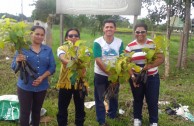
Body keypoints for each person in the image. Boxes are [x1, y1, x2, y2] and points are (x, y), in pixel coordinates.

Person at [11, 25, 56, 126]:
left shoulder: (47, 50)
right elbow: (13, 67)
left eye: (42, 35)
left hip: (42, 87)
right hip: (25, 87)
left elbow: (52, 67)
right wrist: (17, 61)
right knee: (25, 113)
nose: (40, 37)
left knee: (37, 111)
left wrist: (42, 77)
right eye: (37, 34)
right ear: (31, 34)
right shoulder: (22, 49)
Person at [125, 23, 164, 126]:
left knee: (152, 100)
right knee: (137, 99)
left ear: (146, 32)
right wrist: (133, 77)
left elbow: (161, 58)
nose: (140, 34)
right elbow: (127, 63)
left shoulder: (153, 44)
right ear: (134, 33)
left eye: (143, 32)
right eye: (137, 32)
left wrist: (150, 65)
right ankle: (137, 119)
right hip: (137, 77)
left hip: (152, 77)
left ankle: (153, 121)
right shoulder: (130, 46)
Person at [93, 19, 124, 126]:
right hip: (100, 75)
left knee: (113, 95)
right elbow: (98, 59)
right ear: (103, 29)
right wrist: (108, 73)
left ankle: (112, 114)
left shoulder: (119, 42)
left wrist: (116, 74)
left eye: (111, 27)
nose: (109, 29)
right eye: (107, 27)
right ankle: (101, 120)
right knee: (100, 97)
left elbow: (122, 58)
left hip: (115, 75)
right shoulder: (98, 42)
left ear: (115, 29)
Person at [56, 28, 86, 126]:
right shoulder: (62, 48)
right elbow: (62, 58)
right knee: (62, 107)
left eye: (76, 36)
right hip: (65, 82)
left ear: (79, 38)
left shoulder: (84, 50)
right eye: (70, 36)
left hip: (79, 83)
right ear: (66, 38)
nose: (73, 38)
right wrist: (75, 63)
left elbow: (86, 61)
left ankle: (79, 124)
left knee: (80, 108)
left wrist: (79, 64)